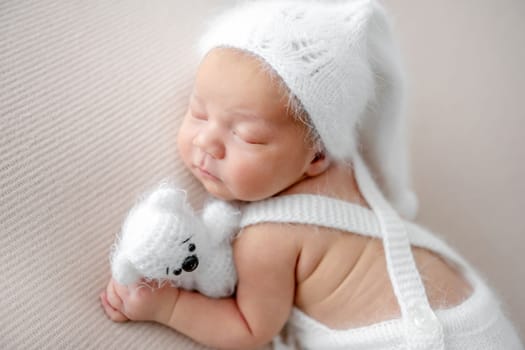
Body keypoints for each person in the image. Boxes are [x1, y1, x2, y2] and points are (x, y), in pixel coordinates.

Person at [100, 1, 523, 349]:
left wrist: (166, 307)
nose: (208, 141)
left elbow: (249, 329)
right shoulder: (349, 170)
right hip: (473, 312)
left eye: (247, 136)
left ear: (316, 157)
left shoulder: (266, 238)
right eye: (198, 112)